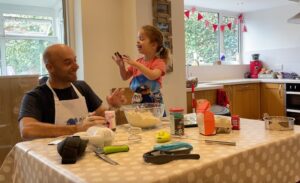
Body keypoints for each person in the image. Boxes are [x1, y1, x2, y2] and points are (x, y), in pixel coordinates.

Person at [19, 44, 125, 140]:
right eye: (68, 63)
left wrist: (112, 108)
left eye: (75, 60)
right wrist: (76, 129)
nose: (76, 66)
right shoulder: (35, 96)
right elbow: (27, 130)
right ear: (50, 67)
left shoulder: (82, 87)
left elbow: (102, 117)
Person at [112, 25, 170, 104]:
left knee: (153, 117)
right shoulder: (138, 62)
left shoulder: (159, 62)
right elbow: (125, 77)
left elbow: (152, 75)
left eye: (142, 39)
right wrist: (121, 66)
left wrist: (135, 64)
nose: (138, 41)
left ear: (153, 45)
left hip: (153, 100)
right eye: (138, 39)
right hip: (137, 99)